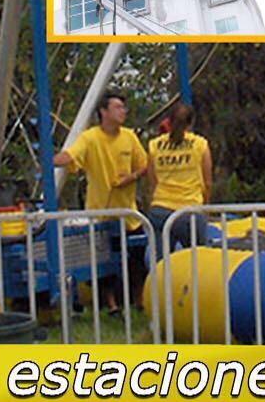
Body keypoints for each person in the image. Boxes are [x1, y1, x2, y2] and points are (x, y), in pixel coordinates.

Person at [54, 91, 148, 312]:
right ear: (103, 112)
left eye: (123, 107)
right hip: (100, 214)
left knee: (137, 259)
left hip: (128, 214)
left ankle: (139, 301)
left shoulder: (129, 137)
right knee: (103, 263)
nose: (123, 111)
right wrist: (51, 160)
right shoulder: (90, 138)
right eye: (117, 107)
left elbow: (144, 165)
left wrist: (130, 178)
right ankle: (112, 305)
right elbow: (71, 156)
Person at [147, 103, 212, 262]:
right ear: (190, 123)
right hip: (190, 208)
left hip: (160, 209)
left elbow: (152, 180)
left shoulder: (154, 145)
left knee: (161, 263)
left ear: (169, 121)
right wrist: (205, 207)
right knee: (198, 262)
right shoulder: (200, 144)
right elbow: (208, 182)